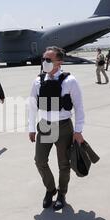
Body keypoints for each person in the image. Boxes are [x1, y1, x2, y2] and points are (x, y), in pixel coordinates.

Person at [29, 46, 85, 211]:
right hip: (45, 125)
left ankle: (61, 194)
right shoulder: (38, 81)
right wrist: (31, 128)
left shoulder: (70, 81)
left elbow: (79, 107)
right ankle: (50, 189)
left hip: (63, 127)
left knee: (63, 164)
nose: (44, 62)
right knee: (40, 161)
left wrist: (78, 131)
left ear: (59, 62)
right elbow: (32, 106)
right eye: (43, 59)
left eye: (48, 59)